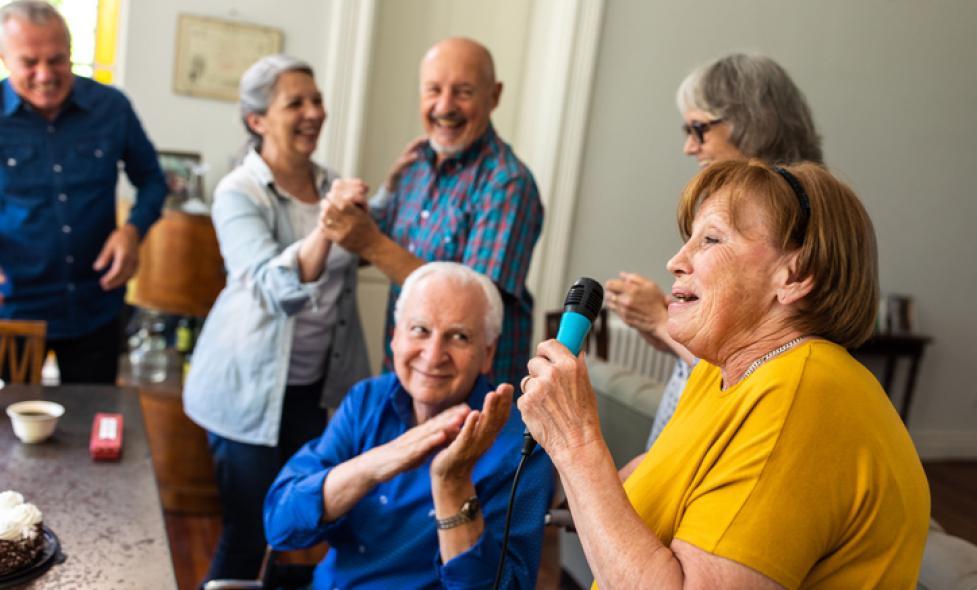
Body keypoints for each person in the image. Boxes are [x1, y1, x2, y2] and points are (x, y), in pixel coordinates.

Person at [518, 160, 930, 588]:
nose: (676, 261)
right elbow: (655, 487)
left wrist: (577, 441)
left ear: (796, 274)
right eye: (688, 240)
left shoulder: (803, 395)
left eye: (711, 239)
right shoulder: (721, 375)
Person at [182, 54, 370, 584]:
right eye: (296, 103)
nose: (314, 112)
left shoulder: (332, 184)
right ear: (257, 120)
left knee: (302, 525)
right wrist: (330, 227)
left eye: (316, 99)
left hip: (316, 390)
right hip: (246, 394)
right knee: (249, 533)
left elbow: (368, 252)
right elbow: (273, 286)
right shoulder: (236, 192)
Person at [264, 262, 553, 589]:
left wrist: (453, 485)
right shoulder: (367, 400)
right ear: (394, 337)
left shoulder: (523, 446)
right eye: (420, 330)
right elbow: (280, 523)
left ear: (487, 353)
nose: (433, 356)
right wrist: (377, 463)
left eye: (458, 337)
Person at [605, 53, 823, 447]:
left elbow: (748, 371)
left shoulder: (799, 219)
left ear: (751, 121)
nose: (690, 146)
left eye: (699, 128)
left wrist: (660, 322)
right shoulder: (750, 204)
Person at [319, 37, 544, 387]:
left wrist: (368, 240)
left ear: (494, 96)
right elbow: (363, 252)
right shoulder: (415, 164)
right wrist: (351, 214)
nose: (444, 106)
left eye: (463, 92)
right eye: (433, 90)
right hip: (406, 378)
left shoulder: (507, 183)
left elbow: (473, 305)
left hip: (471, 396)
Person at [0, 0, 166, 383]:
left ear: (71, 52)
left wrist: (132, 232)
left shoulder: (112, 107)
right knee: (9, 435)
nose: (45, 75)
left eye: (57, 60)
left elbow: (153, 181)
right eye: (29, 63)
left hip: (95, 306)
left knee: (94, 429)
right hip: (15, 311)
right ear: (6, 60)